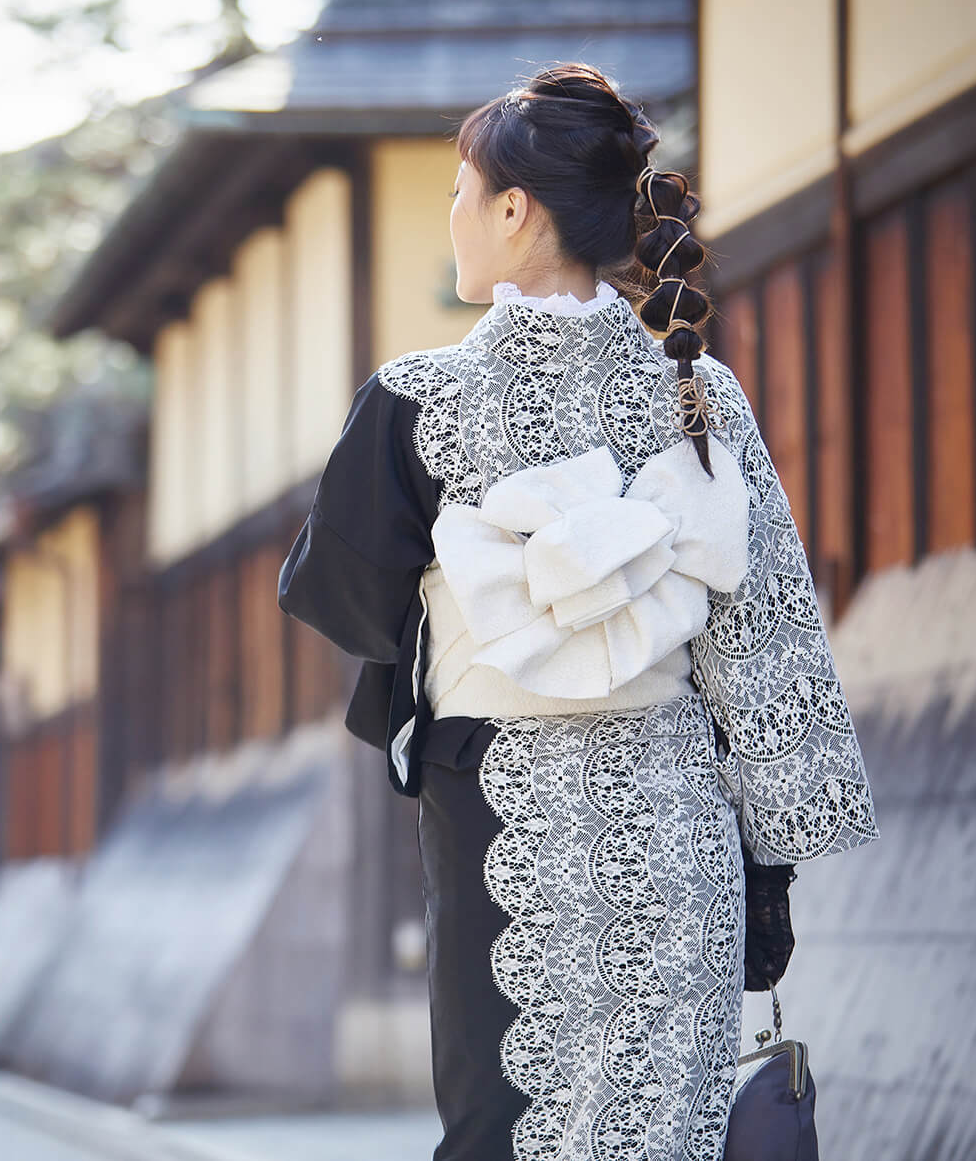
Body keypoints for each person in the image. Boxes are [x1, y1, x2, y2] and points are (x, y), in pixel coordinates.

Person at [277, 63, 880, 1161]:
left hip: (496, 810)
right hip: (676, 816)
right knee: (662, 1129)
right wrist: (768, 871)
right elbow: (765, 638)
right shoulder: (698, 390)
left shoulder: (413, 398)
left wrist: (484, 629)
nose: (453, 218)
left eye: (460, 193)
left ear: (513, 209)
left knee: (500, 1123)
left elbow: (345, 592)